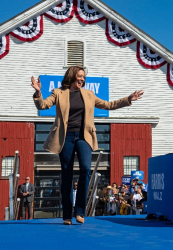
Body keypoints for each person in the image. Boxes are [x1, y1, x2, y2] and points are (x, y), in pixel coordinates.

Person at [31, 66, 143, 225]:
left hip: (84, 136)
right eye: (79, 76)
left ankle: (80, 211)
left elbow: (108, 105)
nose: (82, 79)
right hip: (65, 137)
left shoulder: (89, 94)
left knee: (85, 168)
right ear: (71, 76)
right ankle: (67, 215)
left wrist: (128, 99)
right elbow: (43, 105)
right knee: (66, 174)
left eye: (83, 77)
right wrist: (38, 93)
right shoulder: (59, 93)